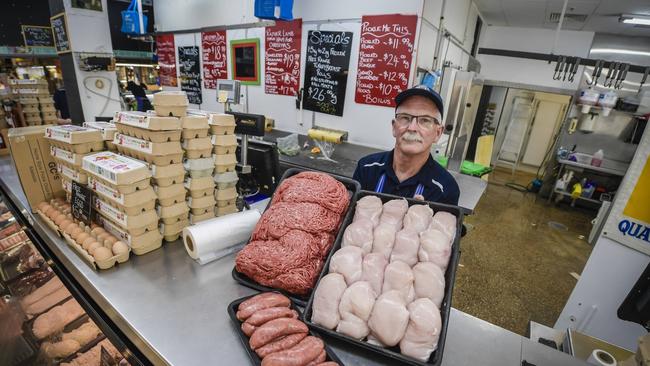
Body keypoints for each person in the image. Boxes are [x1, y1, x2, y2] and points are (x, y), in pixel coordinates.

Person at [353, 85, 460, 205]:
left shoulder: (445, 188)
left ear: (438, 133)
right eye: (405, 118)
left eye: (425, 120)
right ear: (394, 127)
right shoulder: (367, 168)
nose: (412, 128)